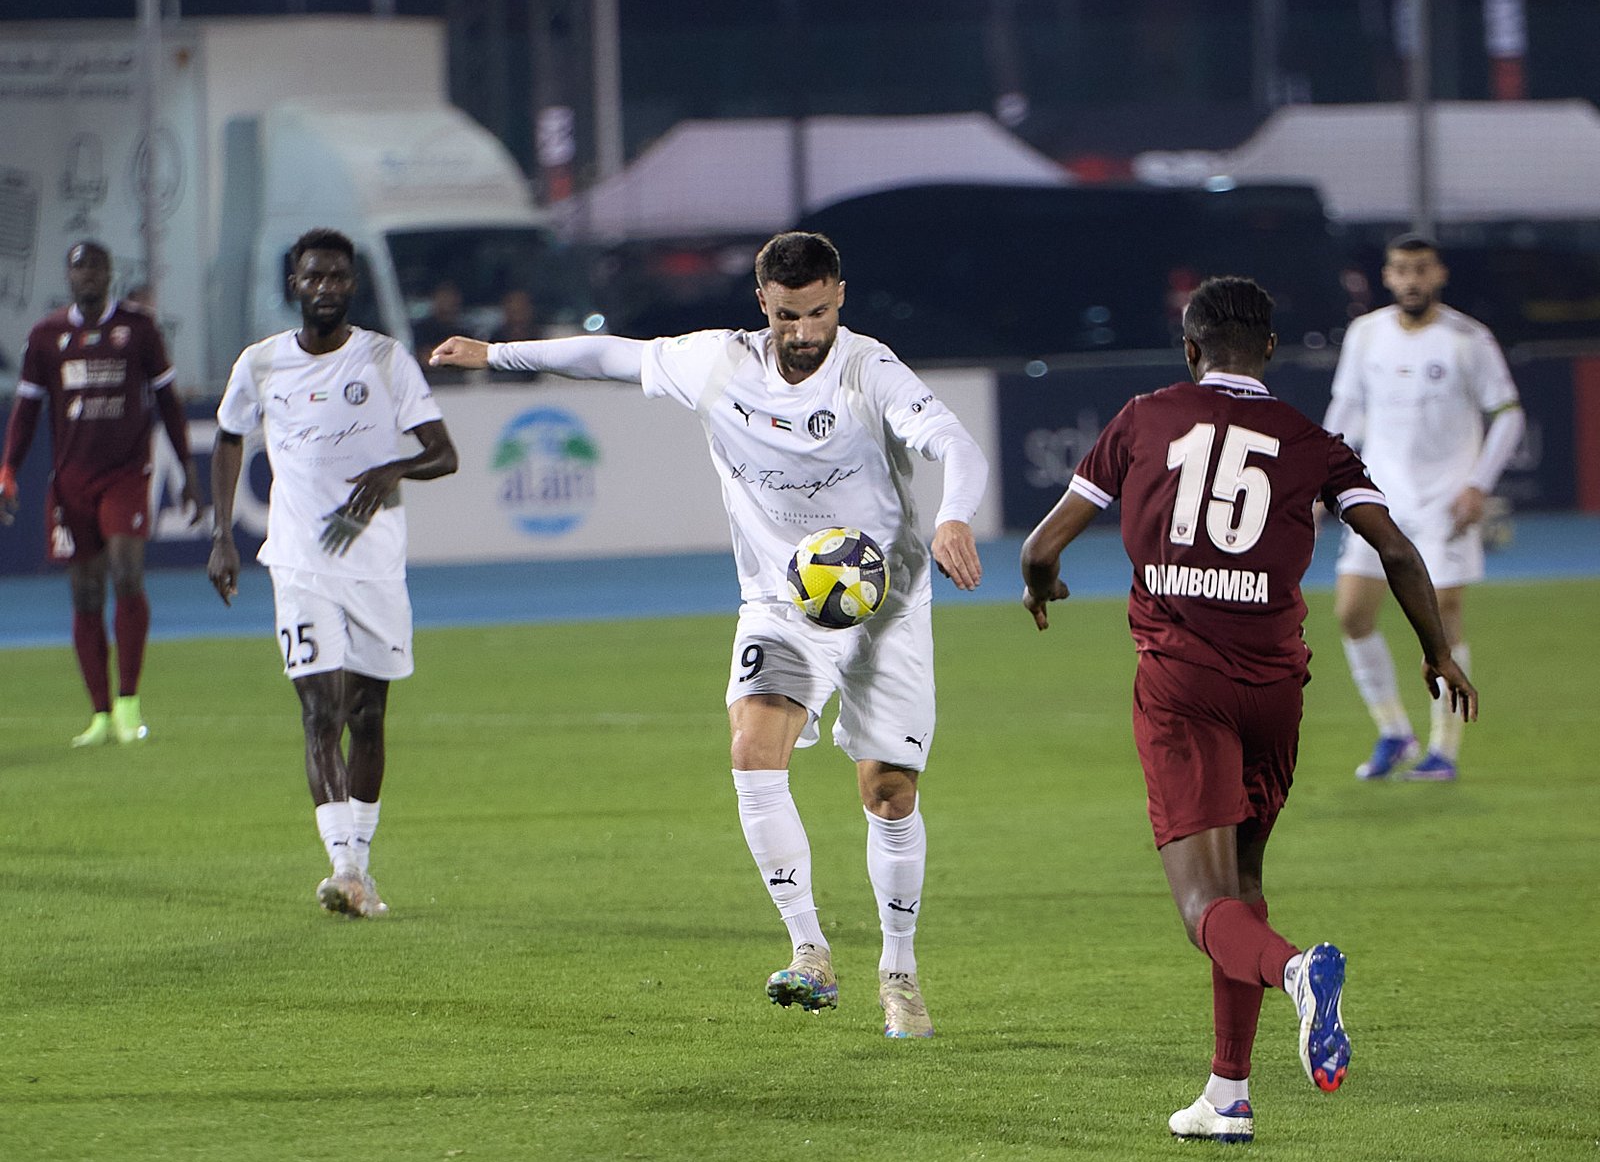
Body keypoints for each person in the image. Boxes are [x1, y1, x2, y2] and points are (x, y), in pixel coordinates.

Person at [430, 229, 989, 1037]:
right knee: (752, 750)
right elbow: (613, 355)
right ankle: (809, 952)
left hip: (886, 602)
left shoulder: (869, 370)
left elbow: (956, 446)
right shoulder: (718, 363)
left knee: (888, 791)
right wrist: (497, 354)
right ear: (762, 303)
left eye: (820, 313)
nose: (805, 332)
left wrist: (955, 517)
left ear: (840, 298)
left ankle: (898, 973)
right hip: (782, 600)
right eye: (789, 315)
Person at [1021, 275, 1475, 1143]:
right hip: (1274, 693)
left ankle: (1299, 972)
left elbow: (1043, 546)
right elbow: (1396, 549)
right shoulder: (1313, 442)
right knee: (1245, 888)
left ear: (1190, 349)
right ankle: (1228, 1095)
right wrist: (1437, 652)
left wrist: (1043, 586)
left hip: (1183, 688)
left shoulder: (1145, 418)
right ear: (1269, 349)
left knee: (1205, 909)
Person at [207, 228, 458, 918]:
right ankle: (343, 867)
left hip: (374, 563)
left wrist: (394, 469)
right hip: (299, 562)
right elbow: (229, 436)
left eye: (337, 277)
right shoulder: (261, 364)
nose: (325, 288)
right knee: (321, 711)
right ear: (294, 284)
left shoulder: (384, 359)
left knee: (368, 716)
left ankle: (362, 868)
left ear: (353, 284)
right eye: (313, 277)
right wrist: (222, 535)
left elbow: (444, 454)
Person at [1325, 231, 1522, 782]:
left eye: (1422, 269)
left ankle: (1443, 751)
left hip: (1445, 502)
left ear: (1439, 275)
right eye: (1402, 270)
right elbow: (1346, 410)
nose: (1412, 280)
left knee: (1442, 616)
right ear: (1387, 277)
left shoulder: (1468, 339)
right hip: (1377, 499)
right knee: (1352, 615)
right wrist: (1322, 479)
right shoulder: (1366, 335)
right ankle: (1394, 731)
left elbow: (1509, 415)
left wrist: (1478, 484)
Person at [0, 240, 201, 745]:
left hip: (126, 474)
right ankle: (100, 714)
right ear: (68, 276)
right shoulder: (46, 336)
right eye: (79, 267)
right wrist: (8, 470)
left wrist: (187, 469)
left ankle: (129, 703)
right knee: (85, 591)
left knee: (127, 573)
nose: (88, 274)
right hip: (71, 482)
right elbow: (26, 410)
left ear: (110, 274)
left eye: (96, 266)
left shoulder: (138, 329)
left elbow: (168, 401)